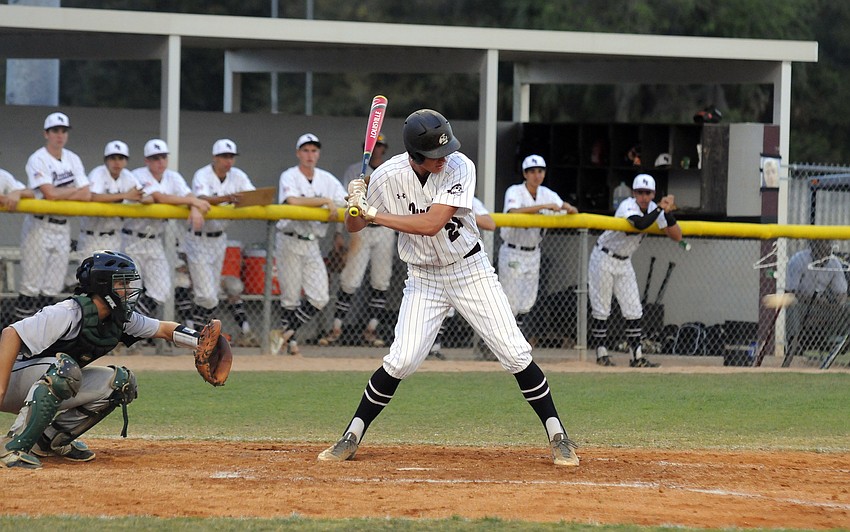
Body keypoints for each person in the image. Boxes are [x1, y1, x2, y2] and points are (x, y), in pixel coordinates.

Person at [318, 109, 579, 467]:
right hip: (423, 278)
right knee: (402, 360)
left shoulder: (459, 166)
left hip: (469, 270)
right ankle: (351, 435)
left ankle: (558, 435)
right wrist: (355, 205)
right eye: (434, 155)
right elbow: (354, 228)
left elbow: (432, 224)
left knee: (515, 352)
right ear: (414, 155)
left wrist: (373, 214)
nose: (444, 159)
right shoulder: (386, 176)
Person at [0, 250, 218, 469]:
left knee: (120, 382)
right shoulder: (68, 312)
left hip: (44, 382)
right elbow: (11, 334)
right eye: (122, 283)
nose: (129, 290)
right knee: (64, 369)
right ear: (102, 285)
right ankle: (11, 447)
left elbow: (164, 329)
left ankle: (48, 441)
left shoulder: (119, 318)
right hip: (10, 382)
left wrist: (200, 342)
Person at [588, 173, 682, 367]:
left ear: (653, 193)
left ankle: (636, 356)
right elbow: (639, 224)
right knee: (602, 307)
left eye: (647, 193)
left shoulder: (655, 209)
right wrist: (660, 209)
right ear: (633, 193)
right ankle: (601, 352)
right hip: (604, 256)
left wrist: (668, 212)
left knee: (634, 309)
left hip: (624, 261)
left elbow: (677, 236)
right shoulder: (627, 205)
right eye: (640, 192)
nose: (643, 197)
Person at [270, 134, 347, 356]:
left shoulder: (327, 179)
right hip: (289, 239)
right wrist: (324, 201)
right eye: (305, 150)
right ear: (298, 153)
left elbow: (346, 199)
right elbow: (292, 201)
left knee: (320, 297)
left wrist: (358, 189)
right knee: (291, 297)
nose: (310, 155)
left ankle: (285, 334)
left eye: (314, 151)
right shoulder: (289, 176)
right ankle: (291, 345)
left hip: (312, 242)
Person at [12, 112, 92, 325]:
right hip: (40, 225)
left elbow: (86, 193)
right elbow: (49, 194)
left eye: (63, 131)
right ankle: (18, 337)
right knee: (31, 286)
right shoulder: (38, 158)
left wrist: (61, 193)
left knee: (52, 287)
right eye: (55, 130)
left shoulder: (73, 158)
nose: (60, 135)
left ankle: (43, 336)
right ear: (46, 134)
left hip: (62, 227)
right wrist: (70, 192)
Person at [320, 133, 394, 348]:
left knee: (381, 280)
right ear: (366, 148)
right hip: (360, 228)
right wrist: (338, 233)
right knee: (350, 280)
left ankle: (371, 329)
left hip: (384, 228)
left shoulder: (389, 171)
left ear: (384, 148)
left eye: (380, 146)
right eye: (373, 145)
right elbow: (344, 202)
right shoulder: (354, 170)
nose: (376, 149)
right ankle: (336, 327)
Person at [126, 139, 209, 321]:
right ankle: (121, 331)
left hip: (154, 240)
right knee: (129, 290)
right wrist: (193, 202)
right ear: (147, 160)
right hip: (131, 240)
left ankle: (128, 327)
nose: (160, 161)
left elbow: (188, 195)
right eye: (155, 158)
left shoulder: (173, 177)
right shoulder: (137, 174)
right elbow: (159, 196)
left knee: (161, 290)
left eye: (163, 157)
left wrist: (194, 206)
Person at [499, 154, 578, 336]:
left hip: (533, 252)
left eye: (540, 171)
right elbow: (513, 211)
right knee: (511, 301)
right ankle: (506, 341)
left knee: (527, 301)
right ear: (525, 174)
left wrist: (565, 207)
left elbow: (570, 209)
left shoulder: (546, 194)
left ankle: (515, 339)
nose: (537, 175)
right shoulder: (515, 191)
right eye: (532, 171)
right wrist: (544, 209)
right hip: (513, 250)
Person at [185, 139, 256, 334]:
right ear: (215, 157)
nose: (228, 161)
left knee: (212, 294)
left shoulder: (238, 176)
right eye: (224, 156)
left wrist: (245, 199)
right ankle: (192, 327)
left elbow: (252, 195)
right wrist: (228, 198)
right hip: (199, 238)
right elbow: (202, 199)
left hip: (219, 239)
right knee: (207, 295)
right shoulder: (203, 174)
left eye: (231, 157)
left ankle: (191, 326)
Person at [429, 196, 496, 360]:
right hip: (431, 263)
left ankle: (435, 347)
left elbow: (491, 224)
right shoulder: (427, 194)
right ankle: (429, 347)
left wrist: (464, 212)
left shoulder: (468, 199)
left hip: (465, 263)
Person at [77, 141, 144, 259]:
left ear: (126, 161)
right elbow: (92, 196)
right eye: (112, 158)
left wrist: (140, 196)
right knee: (91, 277)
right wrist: (125, 195)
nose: (117, 162)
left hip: (114, 238)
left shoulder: (128, 176)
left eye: (121, 158)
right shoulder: (98, 173)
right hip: (91, 238)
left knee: (111, 277)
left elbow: (143, 196)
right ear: (106, 160)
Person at [784, 240, 848, 357]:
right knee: (791, 303)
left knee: (847, 307)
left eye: (829, 246)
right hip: (801, 306)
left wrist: (840, 305)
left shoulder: (834, 263)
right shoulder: (799, 260)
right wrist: (816, 301)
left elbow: (842, 293)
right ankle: (794, 344)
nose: (827, 249)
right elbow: (790, 292)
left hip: (822, 308)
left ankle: (840, 342)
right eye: (823, 245)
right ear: (813, 247)